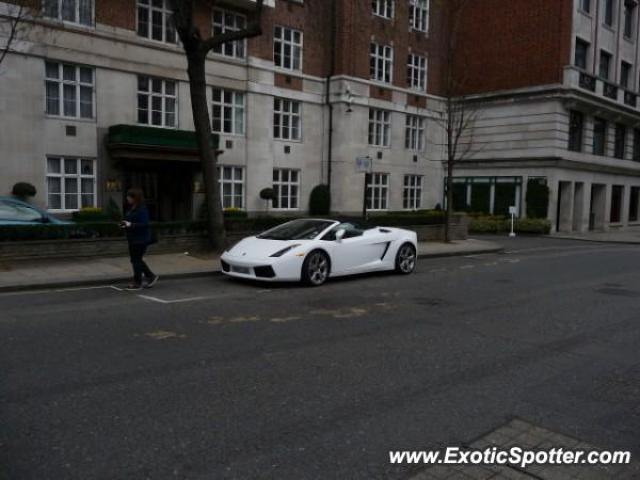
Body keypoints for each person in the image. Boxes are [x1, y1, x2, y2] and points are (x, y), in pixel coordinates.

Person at [121, 188, 158, 290]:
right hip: (133, 238)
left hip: (140, 239)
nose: (127, 198)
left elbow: (144, 224)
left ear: (135, 198)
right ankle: (151, 276)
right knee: (136, 260)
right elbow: (130, 221)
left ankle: (138, 282)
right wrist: (125, 224)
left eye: (129, 196)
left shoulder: (142, 209)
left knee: (136, 260)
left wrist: (130, 224)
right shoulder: (133, 208)